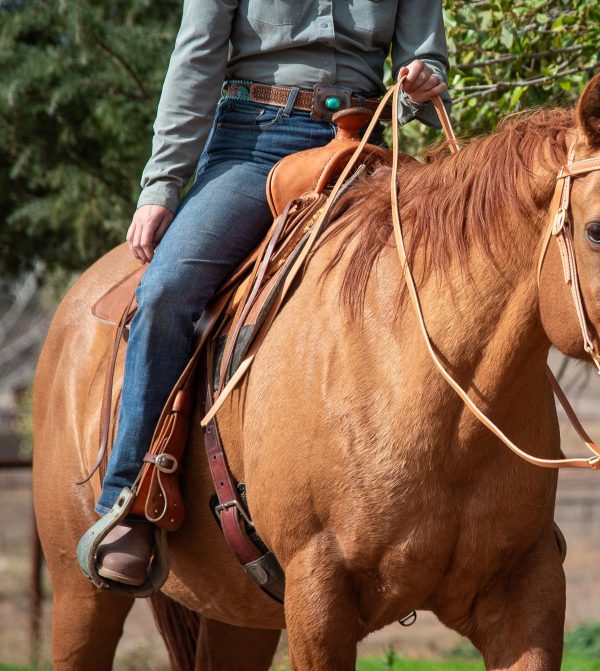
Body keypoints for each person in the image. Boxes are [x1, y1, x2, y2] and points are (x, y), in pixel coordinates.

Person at [88, 0, 451, 587]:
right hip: (253, 143)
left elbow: (425, 64)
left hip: (362, 144)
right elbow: (196, 59)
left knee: (454, 269)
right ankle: (133, 497)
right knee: (167, 292)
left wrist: (422, 82)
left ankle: (503, 505)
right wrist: (161, 185)